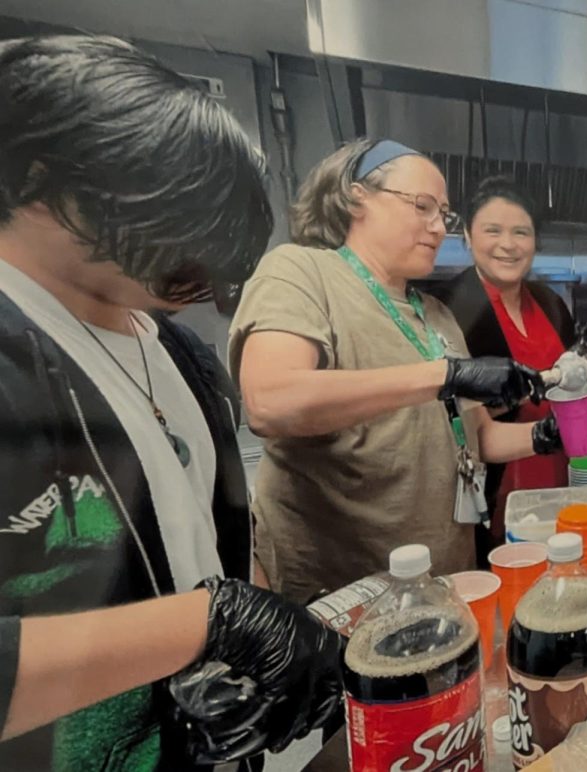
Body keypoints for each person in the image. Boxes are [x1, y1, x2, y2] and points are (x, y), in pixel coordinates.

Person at [0, 36, 341, 771]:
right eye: (173, 221)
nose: (206, 272)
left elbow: (201, 546)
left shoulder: (180, 354)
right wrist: (209, 624)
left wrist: (235, 669)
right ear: (37, 175)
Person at [230, 140, 579, 604]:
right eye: (422, 206)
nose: (438, 227)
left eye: (444, 214)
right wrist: (445, 376)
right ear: (358, 198)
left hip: (446, 581)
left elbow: (479, 438)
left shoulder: (434, 314)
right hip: (345, 593)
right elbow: (271, 402)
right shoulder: (301, 272)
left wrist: (546, 436)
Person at [431, 176, 587, 554]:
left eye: (521, 232)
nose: (508, 245)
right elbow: (450, 418)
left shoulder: (548, 301)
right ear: (467, 234)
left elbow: (586, 377)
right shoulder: (447, 309)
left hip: (558, 471)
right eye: (492, 230)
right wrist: (541, 422)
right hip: (495, 483)